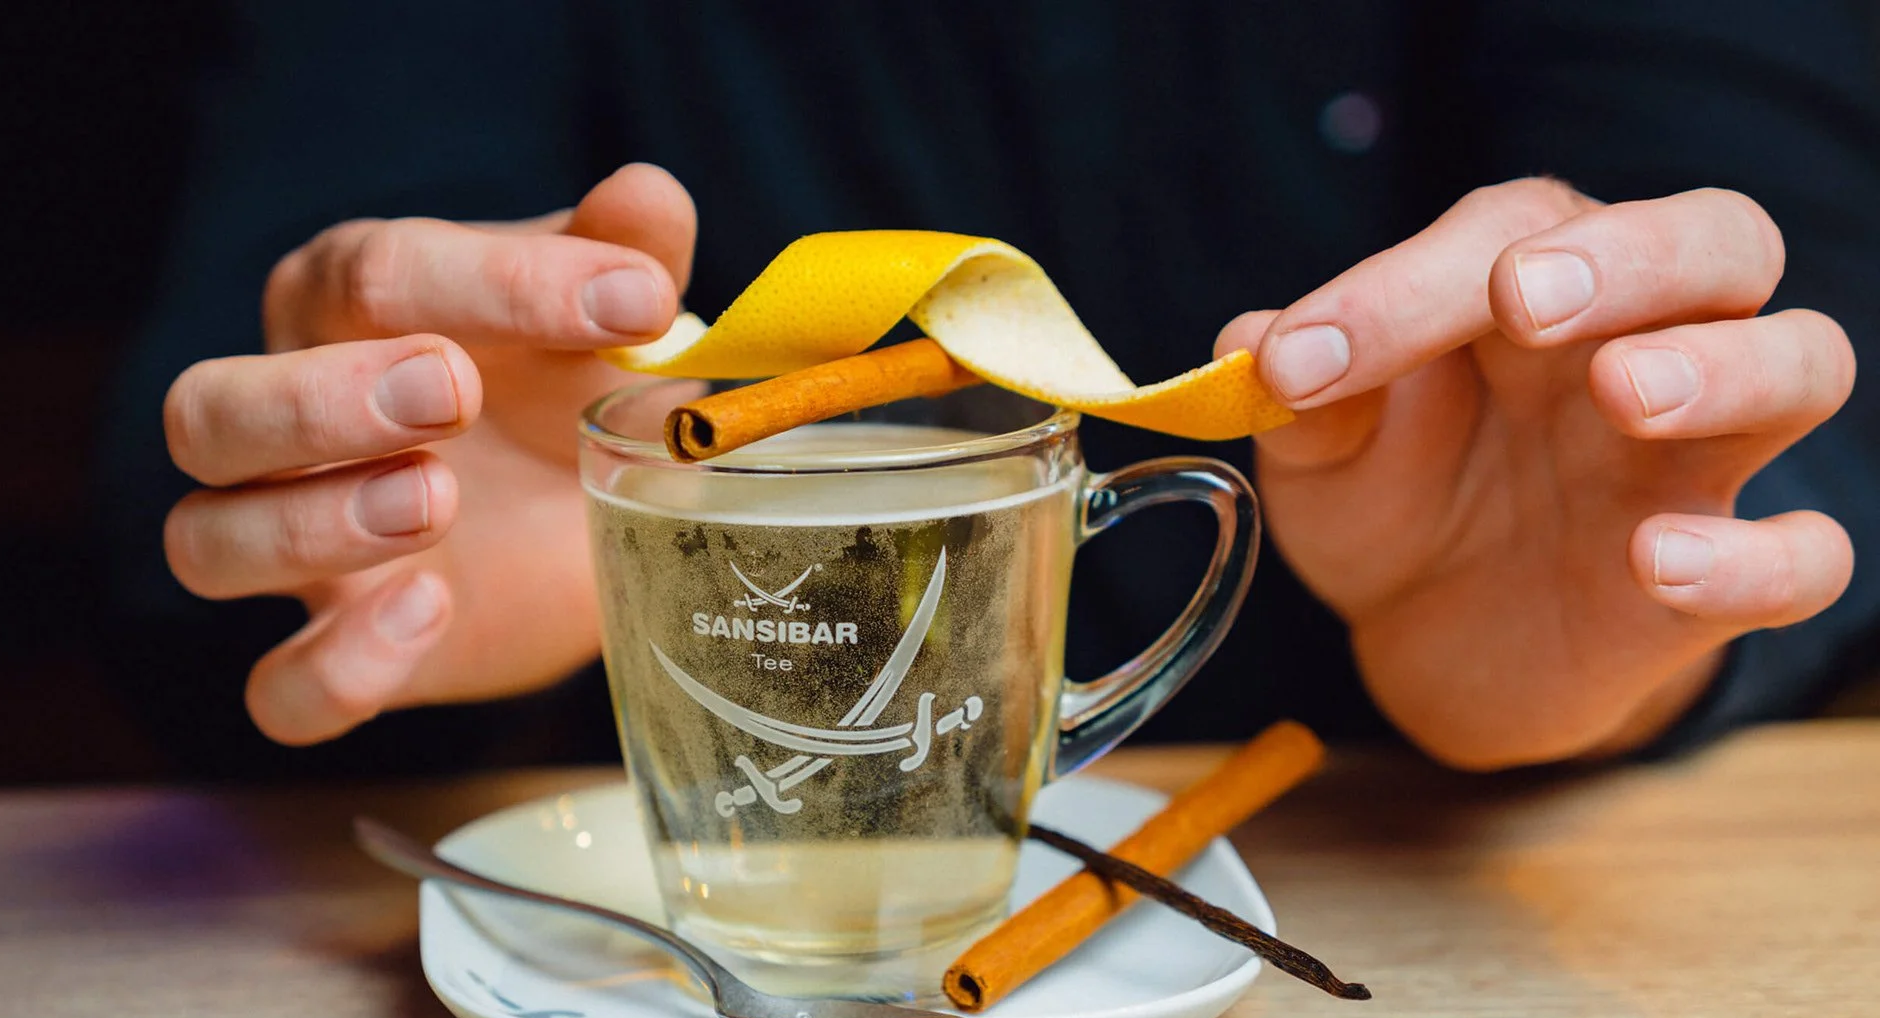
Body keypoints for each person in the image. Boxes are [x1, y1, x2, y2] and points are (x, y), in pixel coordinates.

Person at [104, 1, 1880, 777]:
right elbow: (191, 467)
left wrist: (1640, 607)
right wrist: (361, 503)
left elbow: (1790, 276)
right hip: (696, 975)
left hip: (1383, 931)